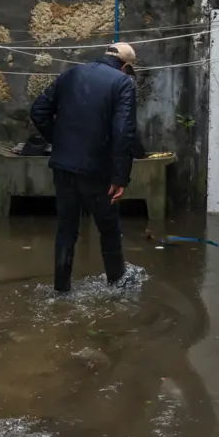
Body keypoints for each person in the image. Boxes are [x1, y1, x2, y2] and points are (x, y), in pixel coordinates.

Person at [30, 42, 138, 292]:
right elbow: (123, 133)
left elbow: (39, 111)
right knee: (109, 228)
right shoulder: (123, 84)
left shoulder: (71, 74)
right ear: (125, 66)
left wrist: (59, 141)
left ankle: (60, 289)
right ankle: (117, 287)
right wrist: (120, 177)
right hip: (98, 171)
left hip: (63, 168)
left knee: (66, 228)